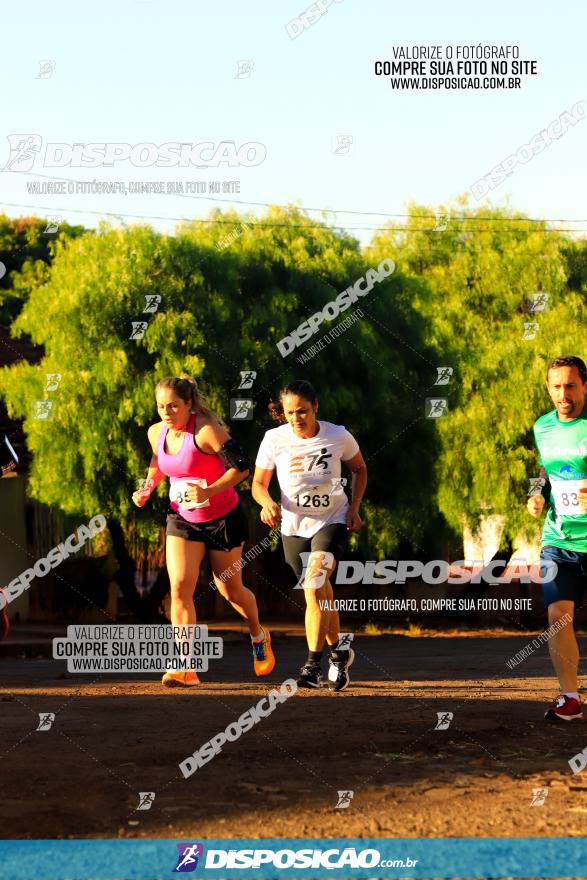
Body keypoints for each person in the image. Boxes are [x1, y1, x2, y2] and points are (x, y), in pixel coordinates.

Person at [132, 376, 275, 687]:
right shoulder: (156, 432)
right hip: (182, 518)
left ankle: (258, 634)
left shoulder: (207, 431)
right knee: (180, 586)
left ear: (188, 405)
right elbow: (158, 463)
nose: (166, 412)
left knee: (230, 589)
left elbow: (241, 467)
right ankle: (186, 667)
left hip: (222, 517)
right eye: (160, 406)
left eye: (172, 405)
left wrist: (209, 491)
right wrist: (147, 487)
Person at [252, 379, 367, 691]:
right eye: (289, 412)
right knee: (318, 592)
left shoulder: (337, 435)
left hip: (332, 520)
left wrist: (354, 508)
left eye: (302, 411)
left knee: (315, 582)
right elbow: (258, 484)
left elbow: (359, 469)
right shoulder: (274, 439)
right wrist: (267, 504)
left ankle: (312, 665)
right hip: (293, 525)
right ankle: (339, 653)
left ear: (315, 407)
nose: (295, 418)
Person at [528, 355, 587, 721]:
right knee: (557, 615)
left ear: (585, 386)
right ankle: (570, 698)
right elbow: (543, 472)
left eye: (570, 385)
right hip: (560, 539)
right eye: (556, 386)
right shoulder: (543, 427)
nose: (563, 394)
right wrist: (537, 494)